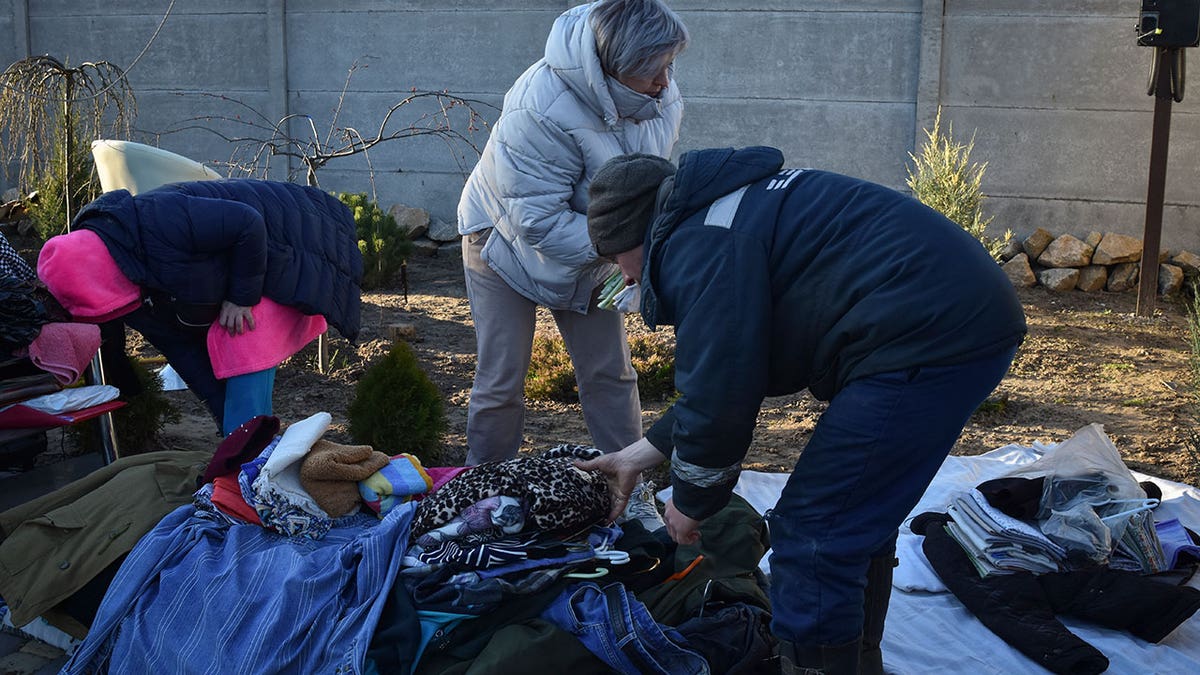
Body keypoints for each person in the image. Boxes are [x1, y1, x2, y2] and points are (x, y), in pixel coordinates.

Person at [577, 146, 1027, 674]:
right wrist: (637, 455)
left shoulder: (698, 244)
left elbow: (722, 390)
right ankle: (857, 663)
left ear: (634, 236)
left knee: (815, 534)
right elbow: (730, 373)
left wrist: (693, 500)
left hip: (925, 336)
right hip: (943, 319)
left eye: (615, 262)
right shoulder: (722, 214)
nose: (626, 279)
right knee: (852, 516)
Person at [456, 0, 689, 466]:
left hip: (599, 249)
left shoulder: (657, 95)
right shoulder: (537, 110)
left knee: (610, 372)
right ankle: (481, 484)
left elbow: (646, 185)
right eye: (654, 71)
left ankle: (629, 486)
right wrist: (622, 247)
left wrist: (640, 246)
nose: (666, 83)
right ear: (616, 69)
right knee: (502, 377)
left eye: (669, 66)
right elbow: (536, 220)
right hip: (501, 241)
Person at [36, 178, 363, 437]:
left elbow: (248, 224)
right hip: (234, 274)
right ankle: (250, 460)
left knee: (241, 349)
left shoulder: (158, 219)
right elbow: (183, 352)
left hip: (282, 249)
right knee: (237, 420)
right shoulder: (128, 294)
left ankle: (249, 468)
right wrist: (223, 419)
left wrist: (241, 296)